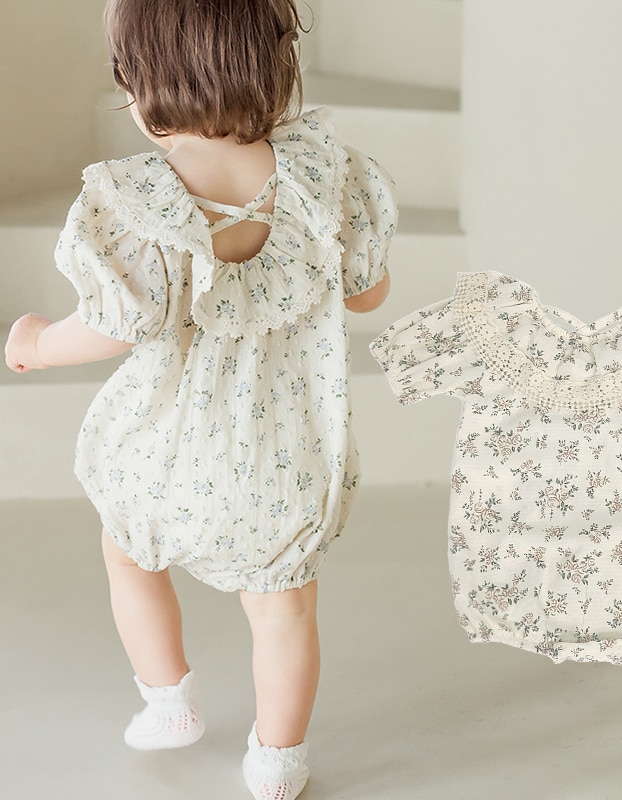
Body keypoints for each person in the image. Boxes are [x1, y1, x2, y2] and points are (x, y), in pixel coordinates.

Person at [3, 1, 396, 798]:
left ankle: (168, 701)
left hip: (166, 453)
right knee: (283, 610)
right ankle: (278, 760)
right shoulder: (328, 173)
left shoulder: (136, 201)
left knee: (127, 551)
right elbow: (368, 294)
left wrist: (37, 344)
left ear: (138, 82)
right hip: (286, 456)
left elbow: (112, 325)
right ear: (276, 63)